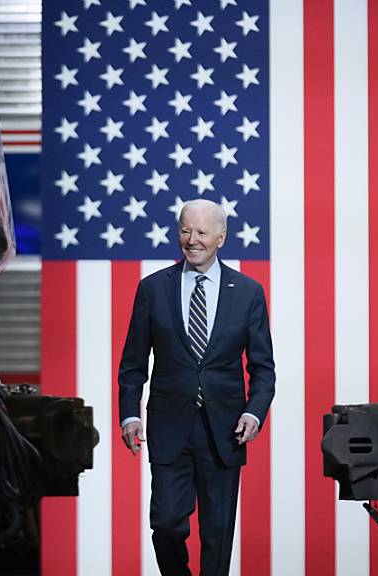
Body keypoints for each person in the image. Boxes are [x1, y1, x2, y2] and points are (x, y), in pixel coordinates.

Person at [118, 199, 276, 576]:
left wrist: (254, 412)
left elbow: (263, 369)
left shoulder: (248, 292)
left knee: (217, 534)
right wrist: (129, 415)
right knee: (168, 524)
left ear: (221, 237)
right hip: (170, 428)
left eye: (202, 232)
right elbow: (133, 364)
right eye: (186, 231)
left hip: (225, 431)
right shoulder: (153, 289)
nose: (193, 240)